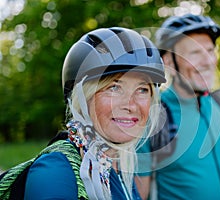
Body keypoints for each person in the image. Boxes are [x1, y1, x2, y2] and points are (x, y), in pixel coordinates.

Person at [21, 27, 166, 199]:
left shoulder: (117, 169)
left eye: (142, 89)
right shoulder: (56, 172)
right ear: (82, 98)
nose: (131, 105)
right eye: (114, 87)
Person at [135, 14, 220, 200]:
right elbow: (140, 194)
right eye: (195, 53)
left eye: (210, 51)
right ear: (168, 62)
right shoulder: (153, 115)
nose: (208, 61)